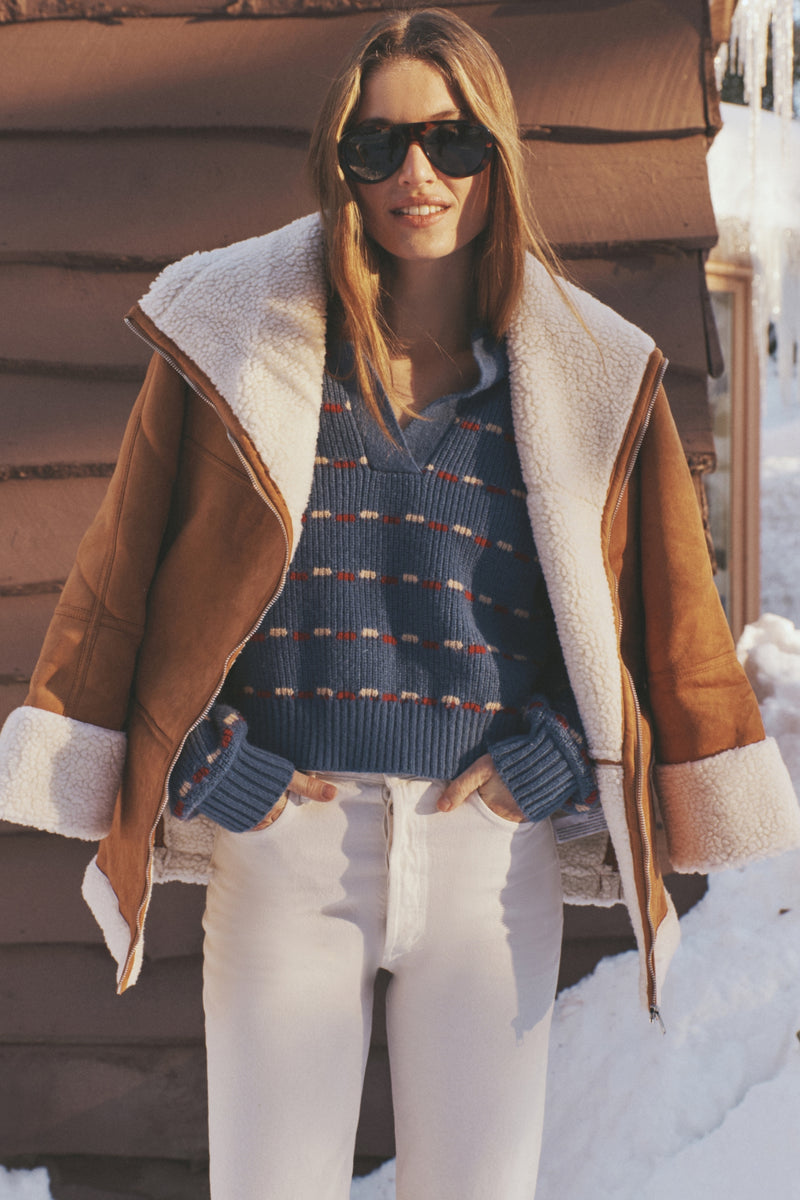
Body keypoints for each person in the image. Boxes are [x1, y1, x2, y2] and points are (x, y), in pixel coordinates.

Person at [1, 8, 798, 1199]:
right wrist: (212, 761)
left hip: (487, 861)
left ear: (496, 154)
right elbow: (131, 571)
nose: (413, 174)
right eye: (376, 147)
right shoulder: (236, 337)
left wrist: (548, 755)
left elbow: (639, 615)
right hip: (285, 851)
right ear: (340, 162)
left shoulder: (588, 367)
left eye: (449, 140)